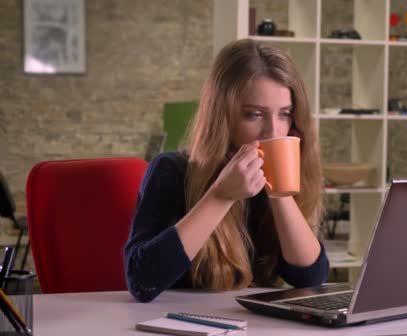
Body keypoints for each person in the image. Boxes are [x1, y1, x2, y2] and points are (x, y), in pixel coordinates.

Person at [124, 39, 329, 303]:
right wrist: (221, 195)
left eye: (285, 114)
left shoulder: (286, 175)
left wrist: (279, 190)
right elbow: (143, 282)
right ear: (222, 116)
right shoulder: (172, 170)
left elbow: (310, 279)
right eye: (254, 114)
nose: (273, 131)